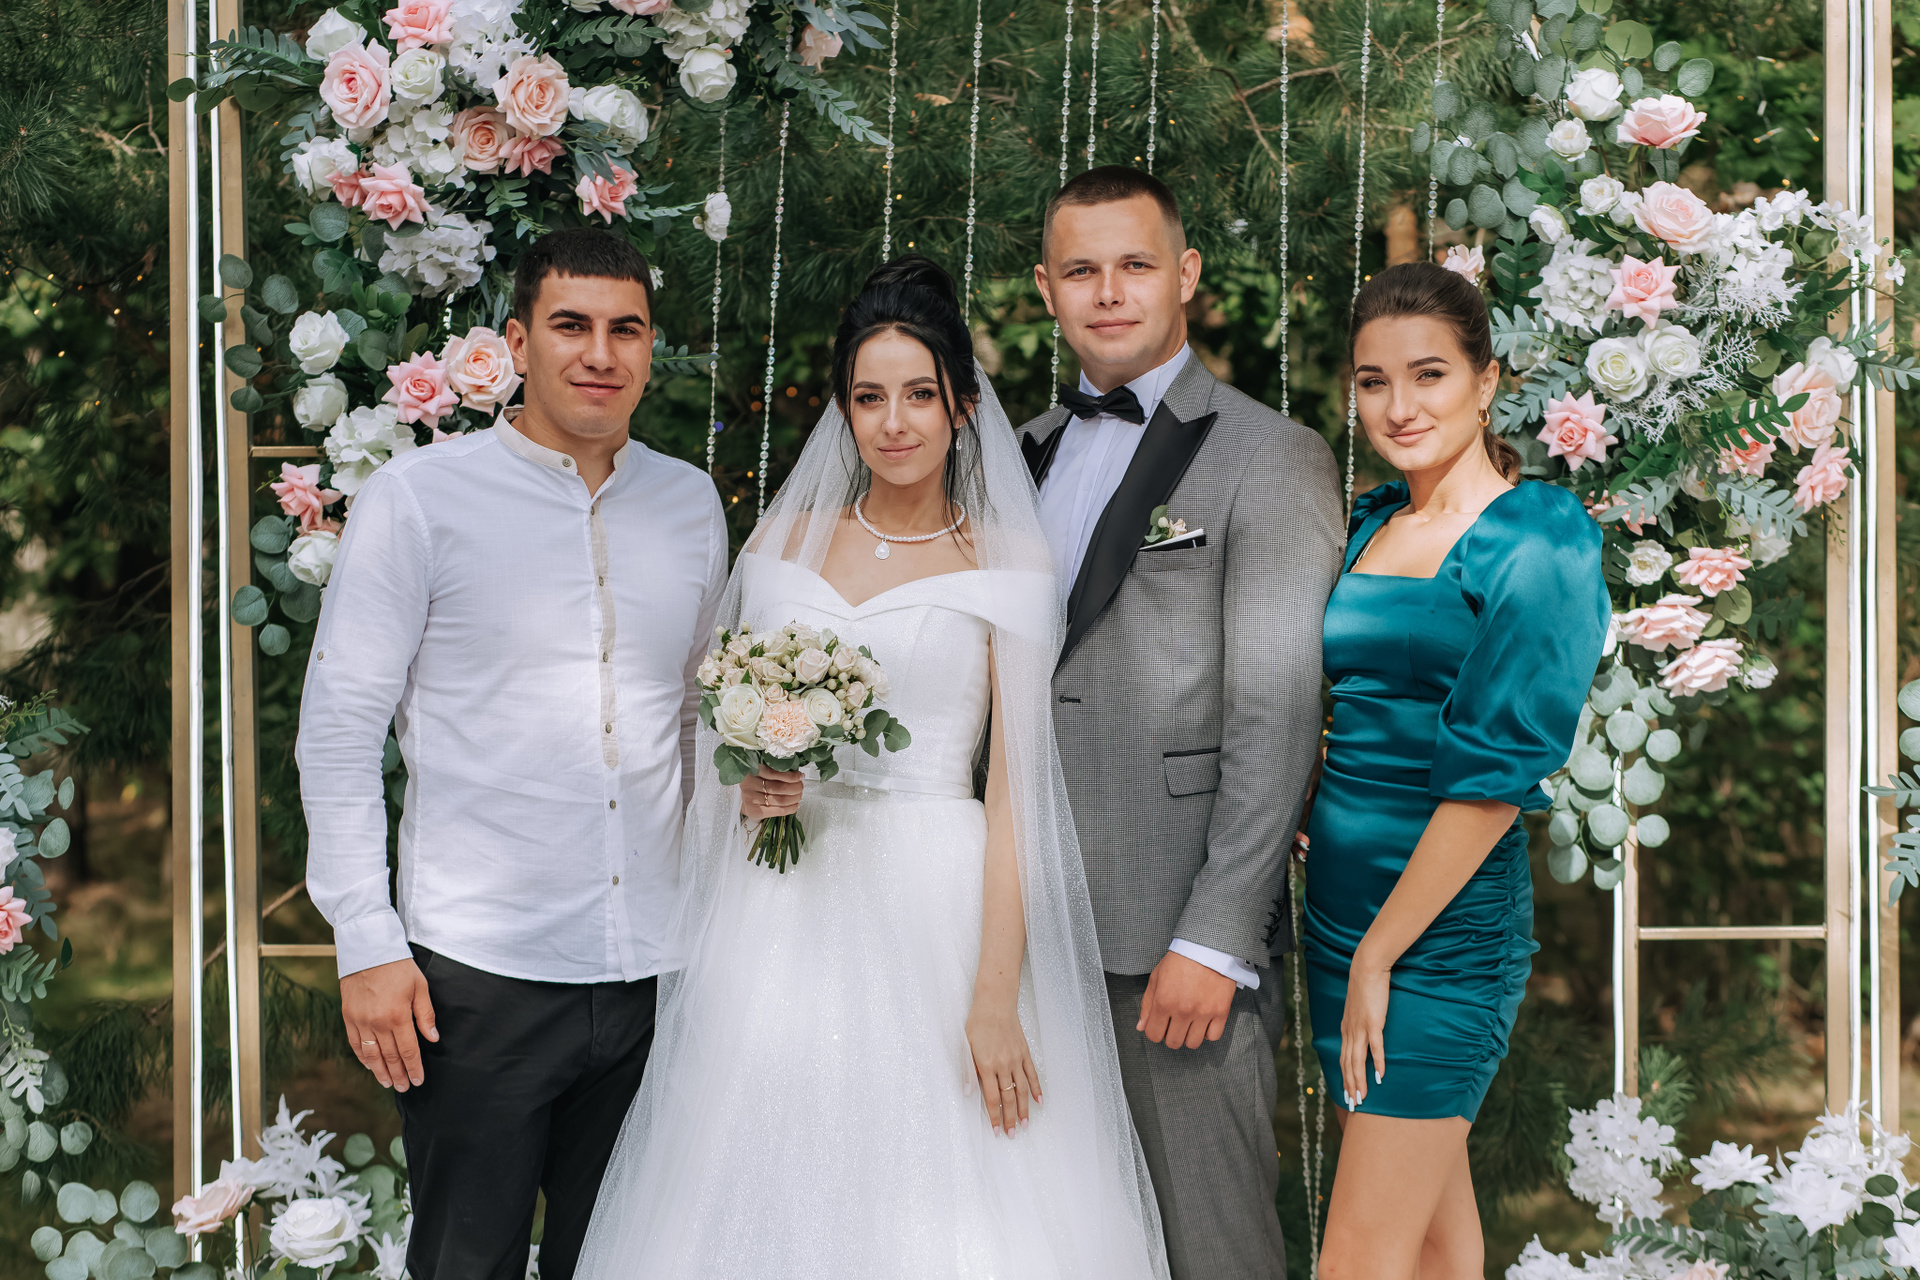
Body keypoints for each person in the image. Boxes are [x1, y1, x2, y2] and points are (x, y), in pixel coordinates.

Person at [574, 256, 1169, 1279]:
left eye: (919, 395)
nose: (894, 423)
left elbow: (1016, 790)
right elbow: (713, 728)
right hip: (778, 908)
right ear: (844, 409)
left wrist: (994, 998)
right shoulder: (784, 539)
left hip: (936, 901)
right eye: (868, 397)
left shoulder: (1007, 561)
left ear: (962, 406)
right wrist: (754, 779)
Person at [296, 227, 729, 1280]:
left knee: (632, 1263)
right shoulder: (419, 499)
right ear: (518, 343)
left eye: (626, 329)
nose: (601, 353)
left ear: (651, 347)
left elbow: (691, 720)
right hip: (478, 975)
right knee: (466, 1262)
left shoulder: (690, 503)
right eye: (571, 325)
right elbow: (341, 728)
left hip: (653, 969)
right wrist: (366, 940)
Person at [1019, 165, 1343, 1279]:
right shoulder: (1014, 453)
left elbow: (1278, 713)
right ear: (1047, 289)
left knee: (1213, 1250)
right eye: (1081, 270)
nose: (1109, 291)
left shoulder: (1271, 454)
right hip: (1021, 932)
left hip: (1172, 939)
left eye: (1135, 264)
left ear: (1186, 275)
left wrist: (1216, 936)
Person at [1302, 262, 1610, 1280]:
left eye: (1428, 374)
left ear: (1486, 382)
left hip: (1436, 937)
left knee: (1356, 1256)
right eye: (1374, 380)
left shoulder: (1537, 538)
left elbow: (1490, 781)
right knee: (1433, 1242)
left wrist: (1381, 956)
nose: (1399, 405)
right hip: (1339, 917)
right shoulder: (1372, 522)